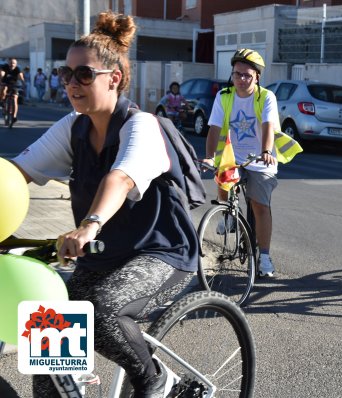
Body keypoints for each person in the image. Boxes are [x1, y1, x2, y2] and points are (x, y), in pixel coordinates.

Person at [11, 11, 198, 398]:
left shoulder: (142, 125)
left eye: (84, 75)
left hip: (161, 254)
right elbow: (17, 173)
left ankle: (156, 379)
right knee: (49, 342)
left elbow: (122, 177)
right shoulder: (73, 127)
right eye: (67, 74)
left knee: (102, 313)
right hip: (101, 256)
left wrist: (90, 224)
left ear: (113, 78)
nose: (71, 84)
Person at [202, 48, 279, 277]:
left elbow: (268, 125)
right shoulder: (224, 96)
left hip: (259, 159)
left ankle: (264, 256)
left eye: (247, 75)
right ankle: (228, 214)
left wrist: (266, 150)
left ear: (257, 76)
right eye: (237, 74)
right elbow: (214, 128)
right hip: (232, 156)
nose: (241, 79)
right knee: (223, 175)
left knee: (260, 206)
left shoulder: (265, 97)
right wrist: (209, 156)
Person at [0, 58, 25, 124]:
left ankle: (14, 117)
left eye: (13, 63)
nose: (12, 64)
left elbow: (21, 76)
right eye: (11, 63)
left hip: (14, 84)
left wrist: (23, 83)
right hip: (5, 82)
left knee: (15, 98)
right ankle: (2, 101)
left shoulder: (17, 69)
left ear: (16, 64)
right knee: (4, 88)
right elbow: (2, 73)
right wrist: (1, 77)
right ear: (8, 63)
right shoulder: (5, 67)